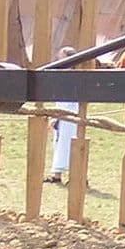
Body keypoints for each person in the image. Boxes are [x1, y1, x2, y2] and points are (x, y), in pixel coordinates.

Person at [45, 46, 79, 184]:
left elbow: (69, 101)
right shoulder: (62, 76)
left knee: (69, 144)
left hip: (70, 114)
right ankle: (56, 175)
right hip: (62, 113)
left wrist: (58, 116)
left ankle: (77, 175)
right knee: (59, 143)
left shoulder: (73, 78)